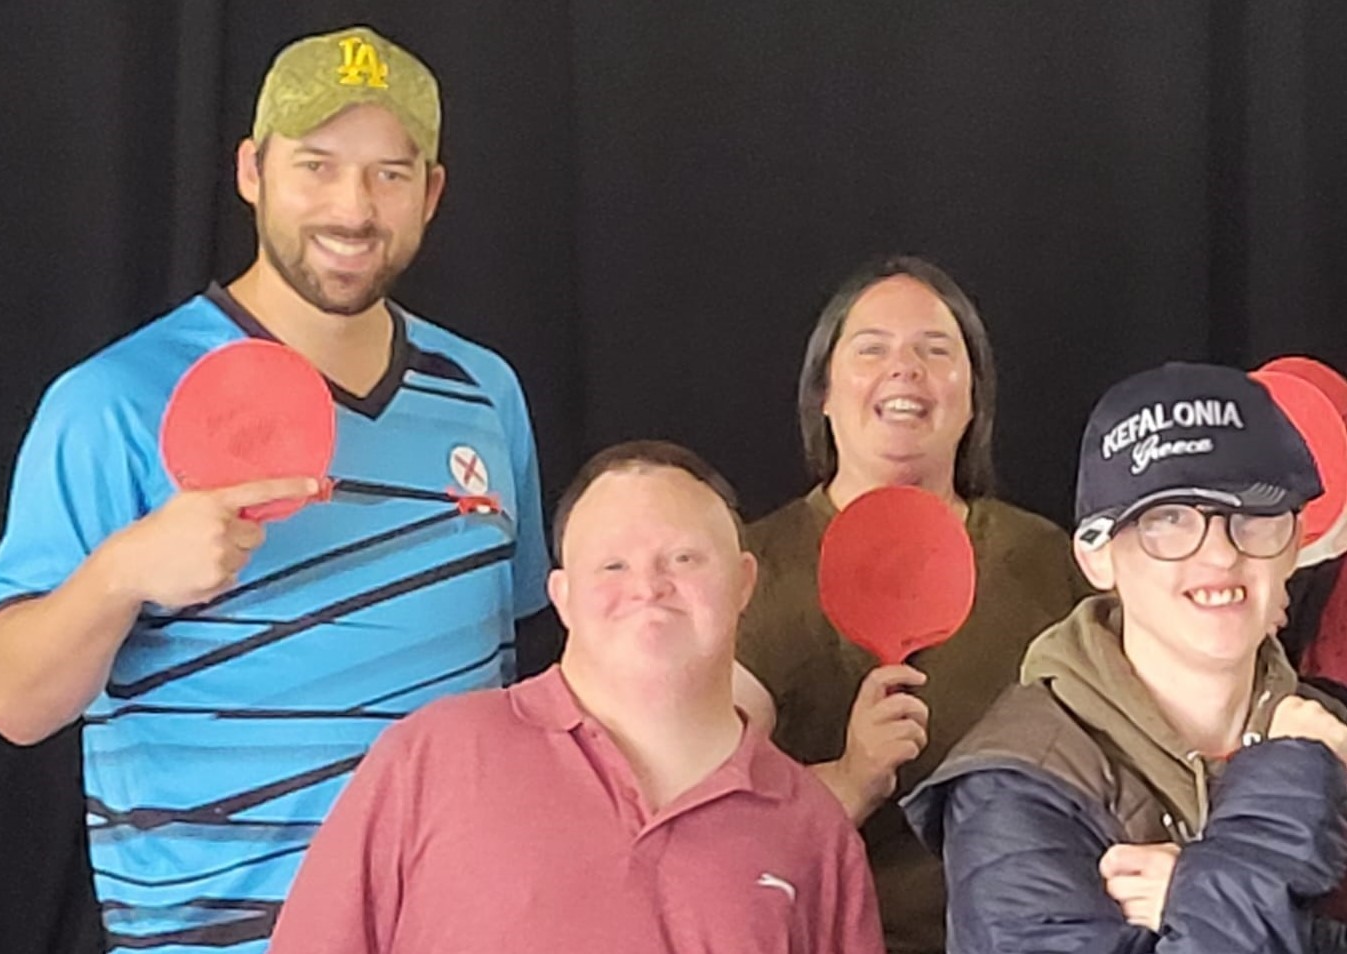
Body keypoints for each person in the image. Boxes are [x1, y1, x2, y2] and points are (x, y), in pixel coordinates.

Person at [0, 26, 549, 953]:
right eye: (317, 166)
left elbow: (515, 677)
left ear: (431, 193)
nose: (353, 208)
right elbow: (12, 703)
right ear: (252, 171)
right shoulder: (114, 403)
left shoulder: (483, 394)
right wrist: (124, 571)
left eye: (389, 174)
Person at [268, 441, 885, 954]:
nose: (648, 586)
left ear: (744, 582)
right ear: (560, 596)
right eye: (612, 565)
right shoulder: (430, 758)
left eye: (684, 557)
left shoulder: (812, 831)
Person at [904, 362, 1347, 953]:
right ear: (1097, 556)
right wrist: (1272, 813)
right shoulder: (1018, 785)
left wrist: (1196, 896)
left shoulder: (1331, 732)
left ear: (1294, 542)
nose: (1218, 554)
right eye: (1169, 520)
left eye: (1251, 516)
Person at [734, 255, 1090, 953]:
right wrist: (850, 779)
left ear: (972, 396)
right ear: (824, 395)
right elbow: (706, 829)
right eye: (871, 349)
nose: (905, 370)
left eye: (935, 350)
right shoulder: (746, 569)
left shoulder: (1052, 563)